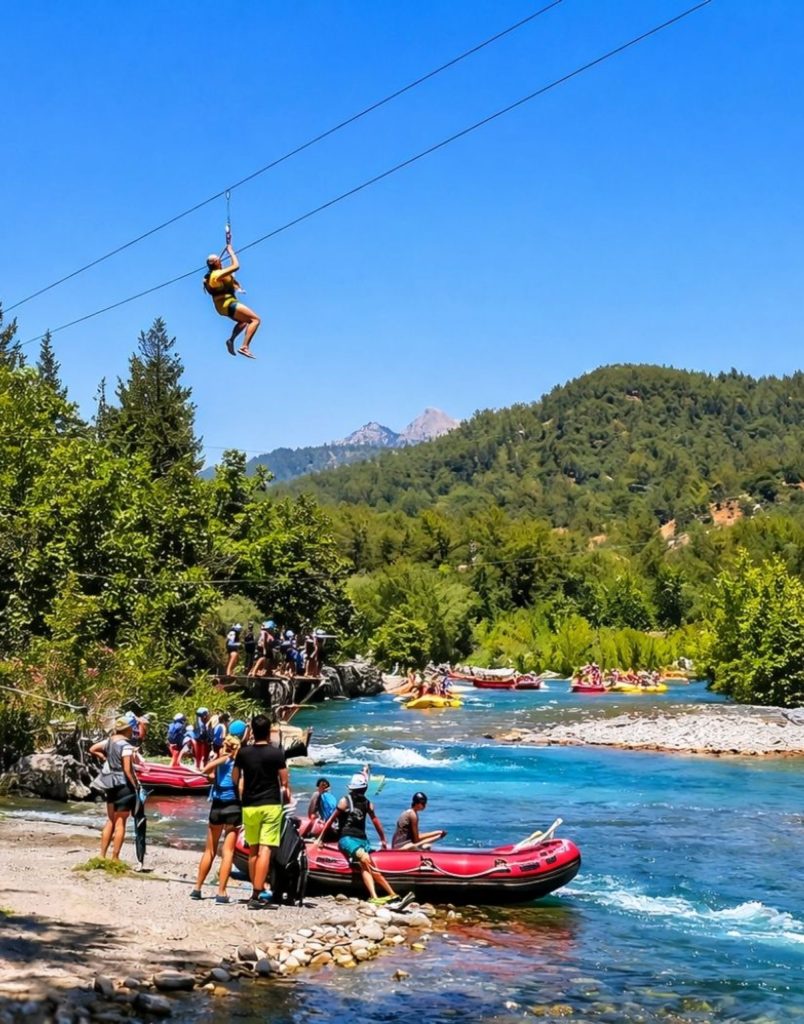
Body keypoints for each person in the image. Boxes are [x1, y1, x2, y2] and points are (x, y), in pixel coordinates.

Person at [232, 714, 290, 910]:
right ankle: (257, 893)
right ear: (268, 732)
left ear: (253, 732)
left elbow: (235, 777)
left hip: (249, 805)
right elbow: (284, 781)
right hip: (271, 804)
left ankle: (253, 893)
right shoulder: (276, 753)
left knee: (253, 850)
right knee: (266, 849)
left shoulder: (244, 753)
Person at [315, 773, 400, 905]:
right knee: (366, 860)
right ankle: (392, 894)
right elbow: (331, 819)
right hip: (347, 839)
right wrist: (320, 838)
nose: (359, 792)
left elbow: (375, 821)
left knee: (365, 866)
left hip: (362, 840)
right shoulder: (345, 801)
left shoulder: (367, 804)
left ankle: (374, 897)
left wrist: (383, 839)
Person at [189, 734, 243, 903]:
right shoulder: (238, 763)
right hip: (233, 806)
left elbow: (206, 772)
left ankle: (197, 888)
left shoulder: (220, 762)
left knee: (209, 850)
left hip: (217, 806)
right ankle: (221, 892)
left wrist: (221, 758)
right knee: (228, 852)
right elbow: (238, 784)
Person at [90, 717, 139, 861]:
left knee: (110, 820)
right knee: (121, 823)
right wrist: (135, 785)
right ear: (128, 729)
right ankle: (115, 858)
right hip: (123, 785)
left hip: (110, 784)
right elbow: (127, 769)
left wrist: (103, 758)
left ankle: (102, 855)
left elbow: (92, 749)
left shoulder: (109, 741)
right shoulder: (126, 746)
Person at [203, 243, 261, 359]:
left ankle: (231, 340)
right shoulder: (216, 275)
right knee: (255, 320)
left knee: (244, 321)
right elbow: (236, 266)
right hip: (228, 304)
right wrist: (231, 251)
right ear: (216, 263)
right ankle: (244, 347)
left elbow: (229, 273)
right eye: (219, 260)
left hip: (222, 307)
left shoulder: (214, 275)